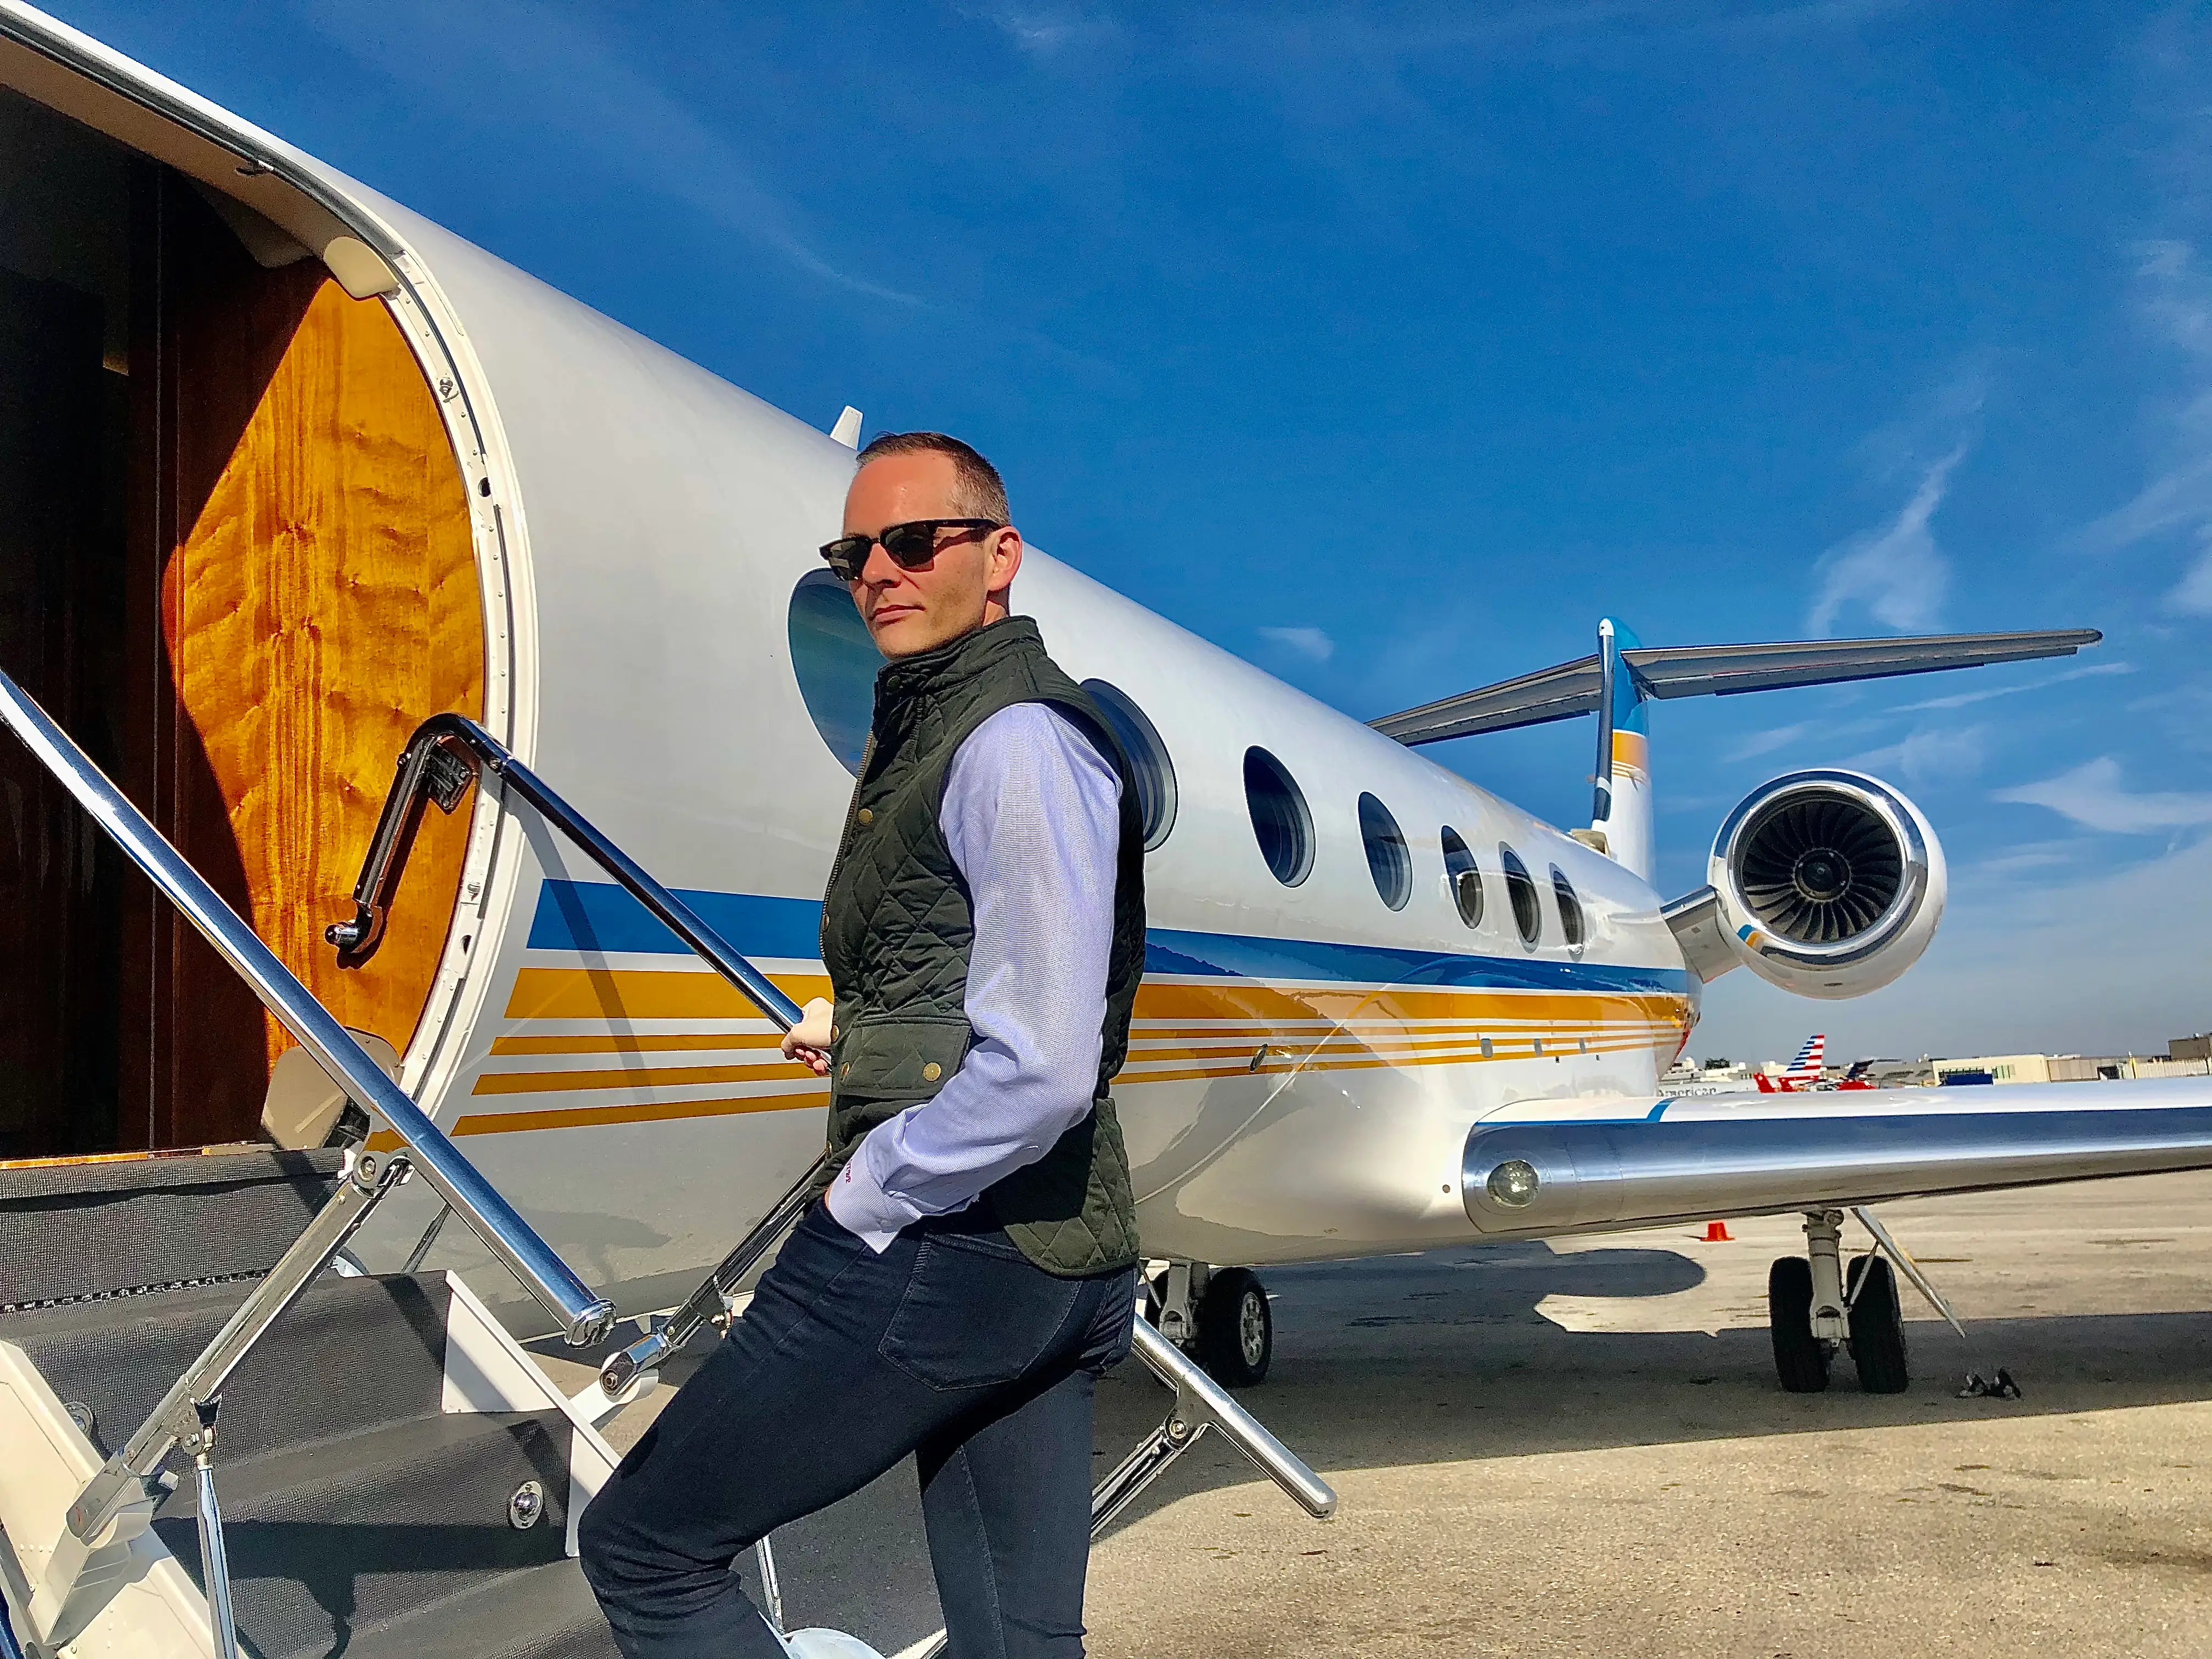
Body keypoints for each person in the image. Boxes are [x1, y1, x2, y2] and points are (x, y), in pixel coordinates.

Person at [579, 431, 1147, 1659]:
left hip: (952, 1251)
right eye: (853, 552)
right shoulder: (949, 727)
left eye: (911, 541)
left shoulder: (1013, 740)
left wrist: (871, 1189)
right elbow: (985, 957)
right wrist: (862, 1025)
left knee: (646, 1549)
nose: (876, 571)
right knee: (1017, 1642)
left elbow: (1044, 1062)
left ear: (999, 556)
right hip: (1057, 1251)